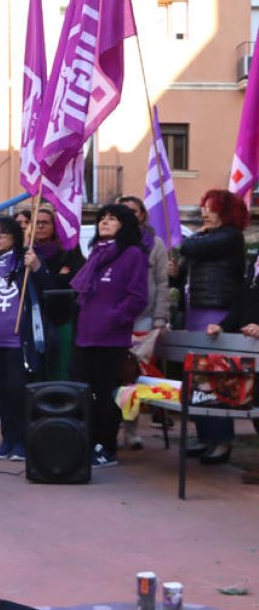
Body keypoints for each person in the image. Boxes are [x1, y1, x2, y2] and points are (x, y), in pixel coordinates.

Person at [172, 189, 248, 465]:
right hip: (197, 309)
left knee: (214, 379)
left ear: (225, 212)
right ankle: (206, 437)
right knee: (196, 379)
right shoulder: (209, 236)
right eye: (204, 206)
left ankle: (221, 441)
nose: (205, 212)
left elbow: (188, 247)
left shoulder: (229, 235)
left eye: (211, 208)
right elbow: (185, 265)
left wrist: (193, 236)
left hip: (216, 312)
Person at [70, 204, 149, 468]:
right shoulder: (96, 253)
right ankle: (89, 442)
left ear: (125, 225)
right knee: (86, 394)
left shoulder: (133, 255)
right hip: (85, 335)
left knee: (105, 396)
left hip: (111, 338)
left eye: (112, 218)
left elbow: (137, 298)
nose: (104, 222)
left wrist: (112, 318)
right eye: (102, 218)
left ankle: (107, 447)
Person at [0, 217, 47, 462]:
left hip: (19, 341)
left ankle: (23, 442)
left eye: (4, 233)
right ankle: (8, 440)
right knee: (1, 392)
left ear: (16, 237)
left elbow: (48, 289)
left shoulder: (26, 262)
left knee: (18, 391)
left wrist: (37, 268)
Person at [115, 196, 171, 449]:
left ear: (142, 215)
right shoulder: (108, 242)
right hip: (115, 319)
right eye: (123, 211)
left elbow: (161, 282)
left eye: (133, 211)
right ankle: (110, 427)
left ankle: (131, 429)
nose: (128, 214)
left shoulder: (155, 244)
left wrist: (160, 318)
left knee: (134, 377)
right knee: (113, 374)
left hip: (144, 318)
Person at [206, 258, 259, 485]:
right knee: (256, 403)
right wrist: (223, 325)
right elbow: (241, 302)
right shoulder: (253, 262)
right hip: (251, 346)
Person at [32, 206, 84, 380]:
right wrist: (56, 277)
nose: (40, 226)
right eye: (37, 222)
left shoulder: (68, 253)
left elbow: (70, 282)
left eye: (45, 222)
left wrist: (46, 275)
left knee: (61, 367)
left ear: (55, 226)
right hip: (35, 317)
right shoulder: (27, 254)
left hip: (62, 316)